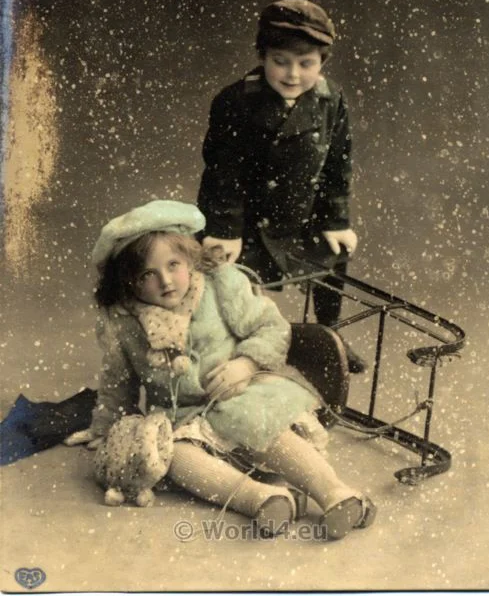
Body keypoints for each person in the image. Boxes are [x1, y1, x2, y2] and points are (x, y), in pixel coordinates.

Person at [68, 199, 376, 540]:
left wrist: (245, 364)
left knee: (264, 427)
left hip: (242, 395)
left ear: (190, 257)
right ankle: (261, 499)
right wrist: (108, 430)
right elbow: (118, 382)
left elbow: (272, 328)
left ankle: (334, 493)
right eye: (147, 275)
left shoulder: (219, 285)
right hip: (183, 417)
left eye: (173, 265)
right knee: (176, 457)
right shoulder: (123, 322)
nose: (166, 281)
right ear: (128, 282)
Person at [197, 0, 367, 372]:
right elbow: (222, 173)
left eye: (306, 64)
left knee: (332, 257)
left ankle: (330, 337)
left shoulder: (330, 100)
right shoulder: (236, 101)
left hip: (301, 217)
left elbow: (337, 167)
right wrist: (225, 230)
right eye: (280, 61)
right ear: (263, 56)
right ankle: (243, 352)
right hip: (249, 223)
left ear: (322, 63)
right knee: (234, 288)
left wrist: (335, 221)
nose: (292, 74)